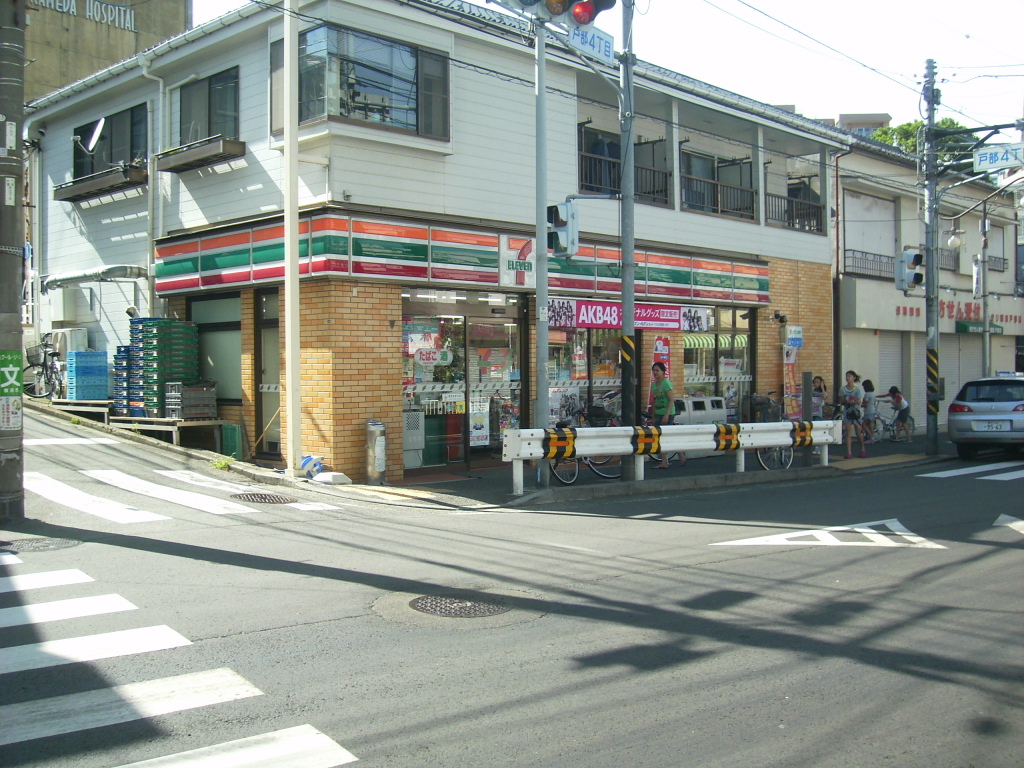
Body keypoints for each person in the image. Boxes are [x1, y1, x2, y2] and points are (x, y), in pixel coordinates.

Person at [650, 362, 675, 469]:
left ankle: (665, 462)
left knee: (665, 437)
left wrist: (667, 415)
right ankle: (677, 454)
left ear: (663, 372)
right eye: (654, 371)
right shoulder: (654, 385)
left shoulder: (666, 383)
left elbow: (671, 400)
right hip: (658, 413)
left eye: (657, 370)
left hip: (667, 413)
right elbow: (655, 401)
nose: (655, 373)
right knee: (659, 438)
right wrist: (653, 414)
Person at [839, 369, 867, 459]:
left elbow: (860, 401)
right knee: (848, 432)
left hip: (856, 413)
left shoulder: (858, 389)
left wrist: (854, 401)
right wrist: (847, 401)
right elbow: (841, 401)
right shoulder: (843, 389)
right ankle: (849, 452)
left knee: (858, 432)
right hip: (847, 412)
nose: (847, 378)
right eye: (846, 376)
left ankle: (862, 448)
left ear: (854, 378)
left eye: (849, 376)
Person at [861, 379, 879, 444]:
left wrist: (861, 404)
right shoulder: (873, 394)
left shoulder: (867, 394)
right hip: (873, 410)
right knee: (871, 424)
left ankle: (871, 437)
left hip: (868, 411)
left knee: (864, 424)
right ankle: (872, 437)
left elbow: (865, 404)